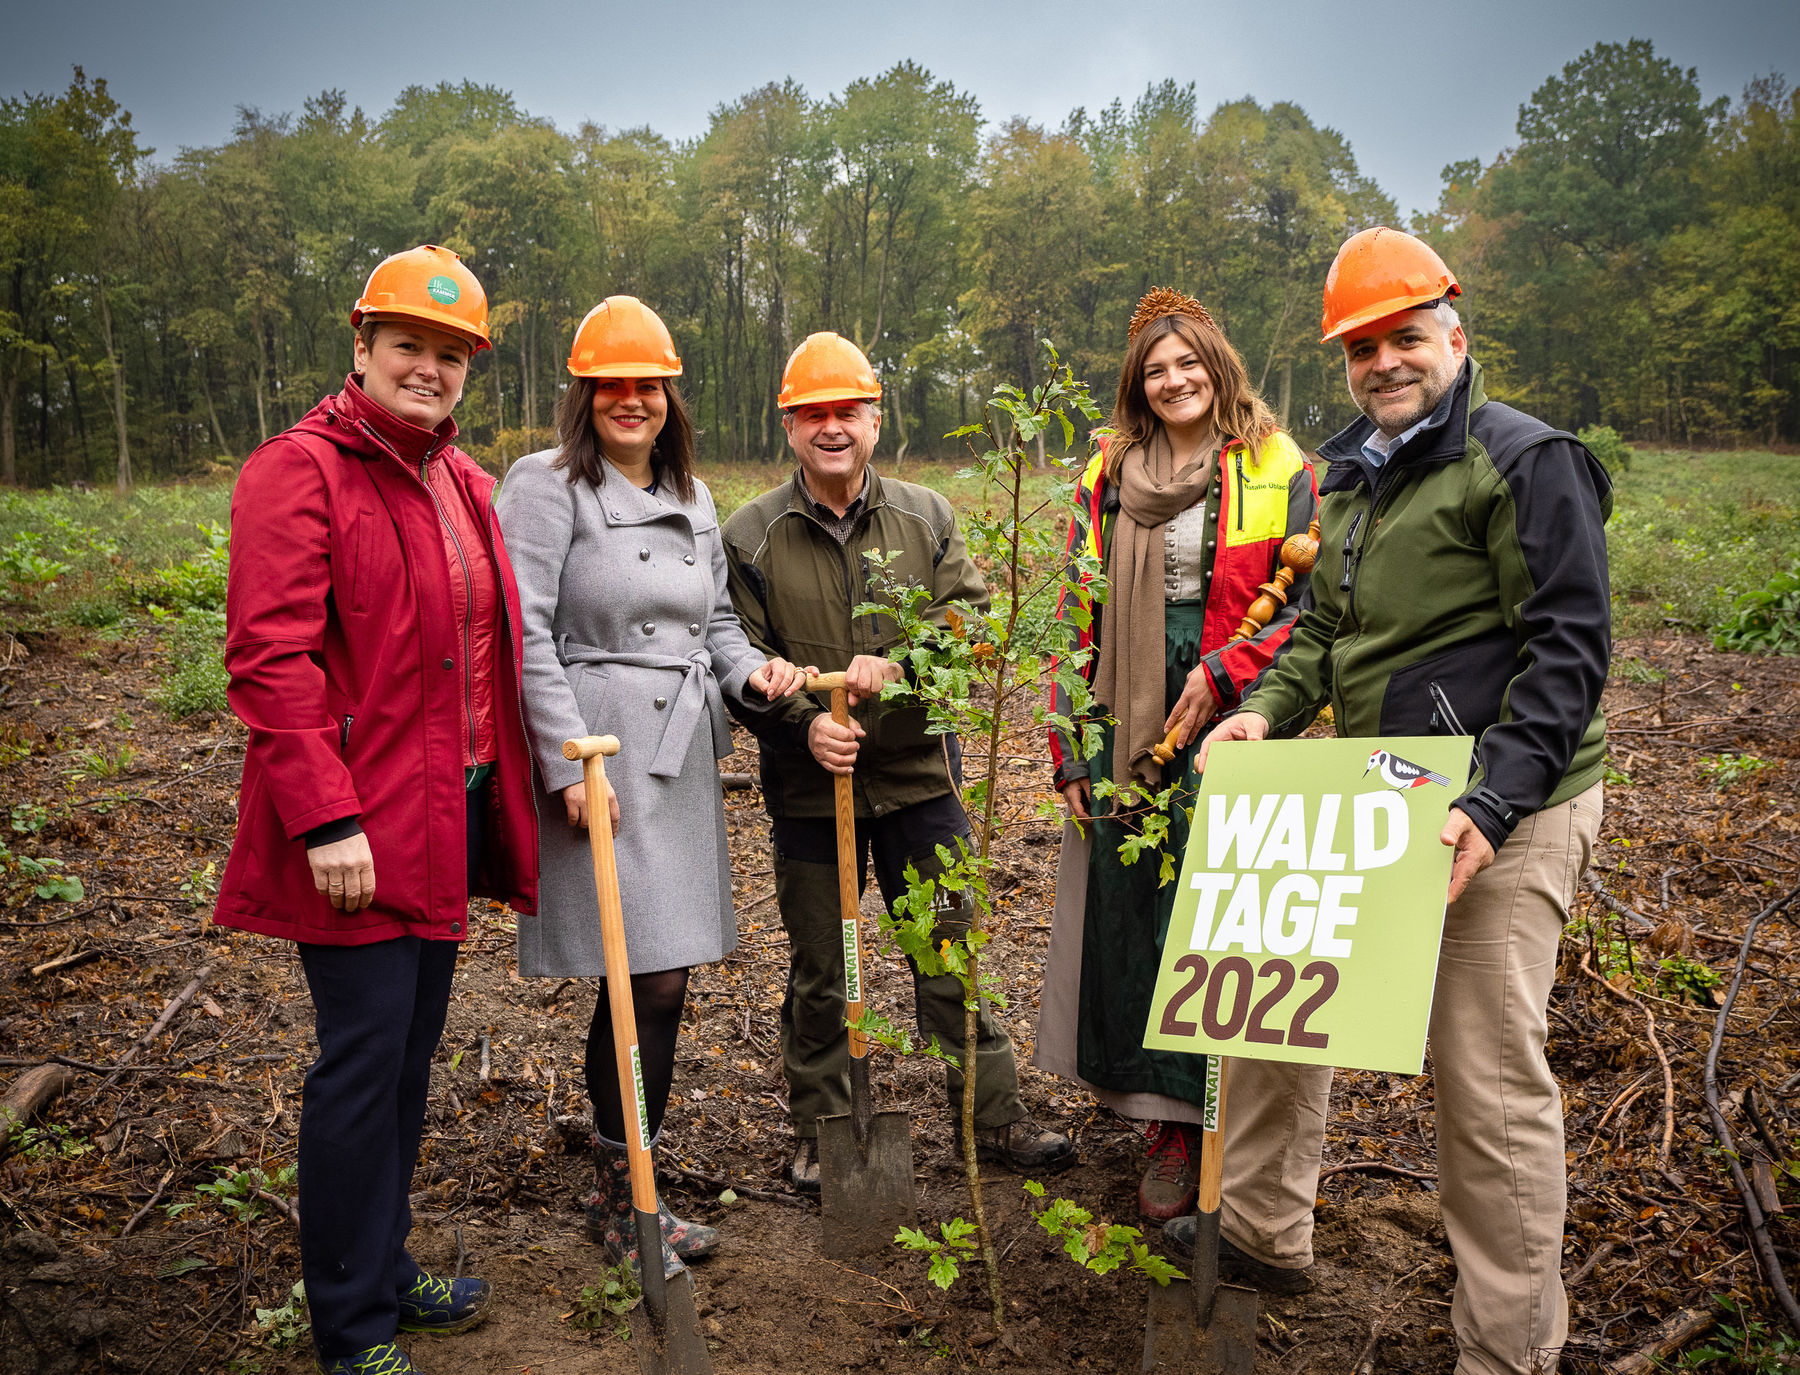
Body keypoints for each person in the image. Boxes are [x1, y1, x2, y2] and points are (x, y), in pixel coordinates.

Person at [1183, 227, 1611, 1375]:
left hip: (1500, 809)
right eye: (1362, 346)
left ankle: (1510, 1343)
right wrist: (1262, 712)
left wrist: (1496, 799)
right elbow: (1322, 629)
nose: (1384, 361)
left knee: (1487, 1080)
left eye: (1405, 337)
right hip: (1372, 787)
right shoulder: (1349, 472)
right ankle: (1266, 1232)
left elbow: (1568, 651)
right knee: (1276, 1010)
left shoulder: (1526, 462)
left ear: (1455, 337)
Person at [216, 245, 537, 1375]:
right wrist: (325, 818)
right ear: (362, 347)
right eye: (409, 345)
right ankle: (350, 1326)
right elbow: (269, 659)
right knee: (358, 1068)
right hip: (354, 832)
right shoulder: (297, 472)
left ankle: (387, 1269)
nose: (431, 369)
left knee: (407, 1062)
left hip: (445, 817)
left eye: (452, 355)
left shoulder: (459, 483)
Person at [495, 296, 808, 1278]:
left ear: (670, 396)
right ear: (583, 396)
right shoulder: (547, 487)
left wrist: (749, 672)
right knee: (644, 977)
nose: (632, 402)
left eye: (649, 386)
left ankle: (630, 1181)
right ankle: (623, 1191)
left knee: (663, 977)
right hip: (599, 752)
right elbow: (524, 632)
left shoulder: (696, 493)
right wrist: (565, 762)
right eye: (612, 386)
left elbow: (711, 626)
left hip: (676, 755)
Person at [722, 332, 1076, 1192]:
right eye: (815, 414)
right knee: (822, 967)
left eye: (848, 411)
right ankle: (824, 1126)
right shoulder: (752, 534)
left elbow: (973, 630)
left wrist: (907, 666)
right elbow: (738, 658)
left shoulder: (927, 515)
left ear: (876, 419)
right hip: (813, 794)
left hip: (922, 781)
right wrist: (805, 722)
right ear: (791, 426)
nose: (833, 427)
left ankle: (990, 1113)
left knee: (951, 948)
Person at [1032, 288, 1317, 1222]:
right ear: (1136, 385)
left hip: (1232, 720)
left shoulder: (1276, 464)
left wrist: (1227, 675)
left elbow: (1308, 608)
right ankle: (1165, 1128)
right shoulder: (1108, 472)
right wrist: (1073, 741)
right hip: (1125, 711)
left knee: (1216, 917)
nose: (1173, 380)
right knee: (1132, 912)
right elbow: (1078, 605)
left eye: (1187, 362)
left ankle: (1227, 1129)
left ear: (1217, 362)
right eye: (1155, 370)